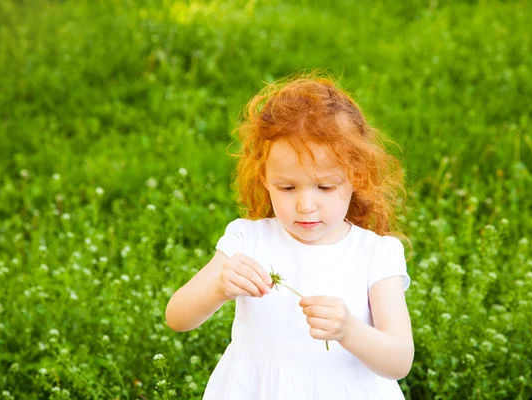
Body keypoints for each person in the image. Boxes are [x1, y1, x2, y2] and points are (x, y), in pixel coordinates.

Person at [165, 72, 414, 399]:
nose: (305, 205)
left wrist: (350, 331)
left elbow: (399, 360)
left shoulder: (375, 254)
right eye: (287, 187)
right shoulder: (247, 241)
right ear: (265, 178)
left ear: (356, 176)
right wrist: (217, 287)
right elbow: (177, 317)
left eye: (325, 187)